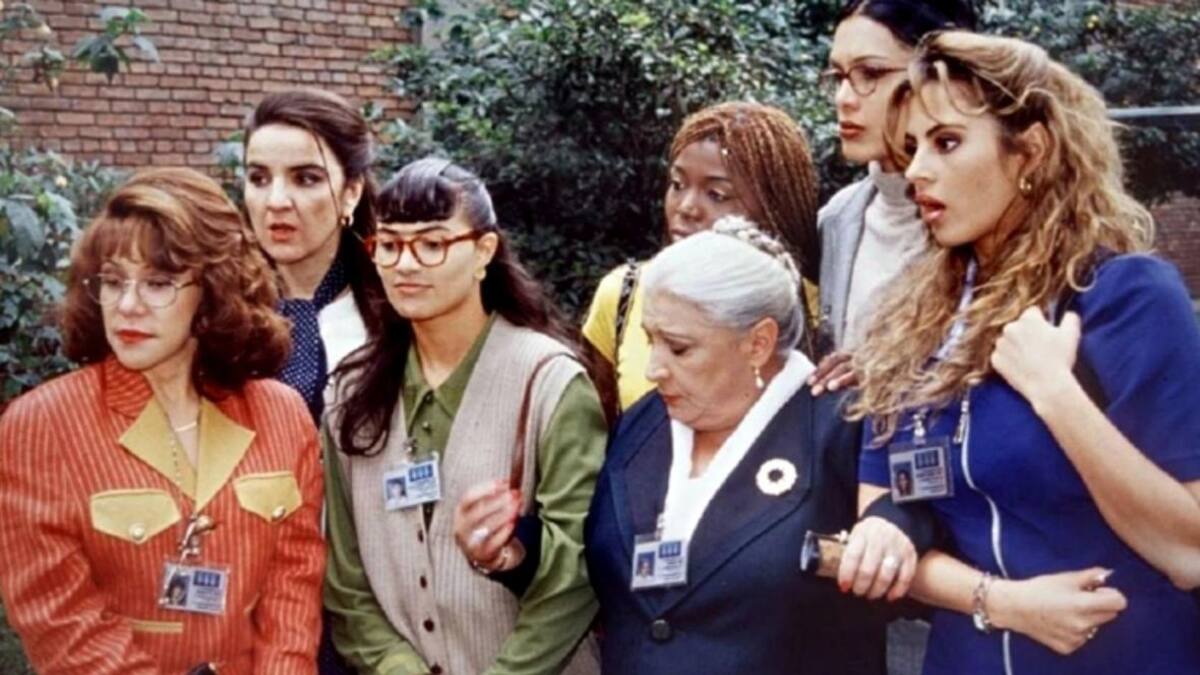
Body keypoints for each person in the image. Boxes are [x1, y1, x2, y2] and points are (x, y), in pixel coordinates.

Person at [848, 31, 1200, 674]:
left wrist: (1056, 395)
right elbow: (881, 524)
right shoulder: (911, 324)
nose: (917, 170)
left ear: (1030, 152)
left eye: (946, 142)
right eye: (912, 147)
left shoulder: (1125, 298)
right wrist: (1001, 602)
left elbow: (1189, 551)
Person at [0, 168, 325, 673]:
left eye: (158, 283)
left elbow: (293, 598)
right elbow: (63, 623)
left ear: (213, 292)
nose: (127, 306)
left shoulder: (282, 415)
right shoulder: (41, 425)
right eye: (112, 281)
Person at [323, 158, 606, 675]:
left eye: (432, 244)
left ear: (484, 251)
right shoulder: (350, 394)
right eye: (390, 245)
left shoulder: (550, 382)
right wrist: (396, 667)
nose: (406, 265)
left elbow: (578, 571)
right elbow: (346, 583)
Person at [584, 217, 890, 674]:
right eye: (651, 341)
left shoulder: (841, 429)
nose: (653, 369)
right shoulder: (644, 421)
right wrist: (516, 552)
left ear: (758, 343)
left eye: (679, 348)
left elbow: (917, 558)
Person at [582, 101, 823, 421]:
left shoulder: (816, 310)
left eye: (716, 195)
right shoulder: (623, 294)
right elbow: (604, 431)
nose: (686, 207)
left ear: (773, 207)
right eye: (677, 185)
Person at [810, 0, 977, 395]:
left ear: (935, 74)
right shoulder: (838, 219)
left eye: (870, 73)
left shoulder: (982, 218)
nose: (844, 98)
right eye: (839, 76)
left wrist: (889, 369)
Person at [243, 88, 386, 423]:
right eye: (259, 179)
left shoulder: (395, 314)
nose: (276, 201)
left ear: (351, 192)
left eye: (306, 179)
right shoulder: (217, 313)